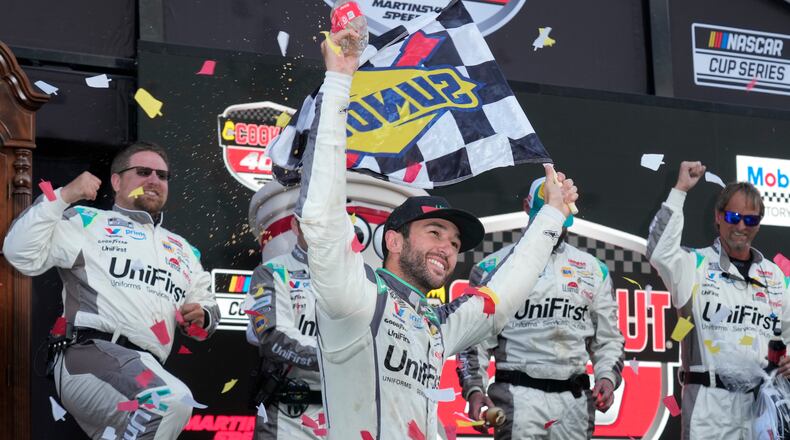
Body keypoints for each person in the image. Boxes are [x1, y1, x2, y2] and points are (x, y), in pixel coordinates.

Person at [291, 29, 578, 439]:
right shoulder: (356, 296)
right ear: (393, 240)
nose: (447, 247)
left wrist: (551, 215)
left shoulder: (435, 324)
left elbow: (500, 301)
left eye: (455, 243)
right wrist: (338, 80)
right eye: (435, 232)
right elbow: (322, 218)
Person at [3, 142, 220, 439]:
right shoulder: (87, 221)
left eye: (162, 175)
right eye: (143, 172)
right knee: (170, 400)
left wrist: (202, 317)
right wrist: (64, 195)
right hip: (89, 355)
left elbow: (206, 309)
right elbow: (18, 252)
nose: (154, 180)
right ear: (116, 181)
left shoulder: (183, 250)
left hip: (143, 370)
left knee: (162, 405)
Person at [456, 177, 624, 439]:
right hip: (517, 396)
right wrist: (475, 390)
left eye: (561, 217)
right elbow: (473, 340)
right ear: (527, 207)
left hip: (575, 401)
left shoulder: (594, 269)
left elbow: (608, 339)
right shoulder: (491, 268)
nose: (555, 225)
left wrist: (607, 378)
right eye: (547, 214)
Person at [647, 161, 790, 439]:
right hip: (708, 407)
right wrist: (680, 190)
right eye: (734, 217)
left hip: (760, 410)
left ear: (758, 225)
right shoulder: (694, 264)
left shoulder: (775, 276)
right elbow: (658, 251)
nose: (741, 226)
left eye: (750, 220)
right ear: (718, 216)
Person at [245, 209, 323, 439]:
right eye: (313, 222)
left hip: (342, 412)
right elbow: (271, 337)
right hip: (287, 412)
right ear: (296, 225)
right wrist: (333, 358)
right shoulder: (270, 271)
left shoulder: (357, 278)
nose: (322, 229)